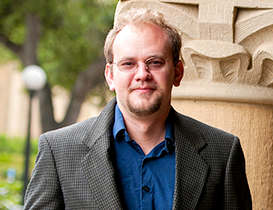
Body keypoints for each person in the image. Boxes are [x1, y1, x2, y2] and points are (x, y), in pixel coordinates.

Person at [23, 8, 252, 210]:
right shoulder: (59, 152)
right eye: (128, 64)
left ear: (178, 72)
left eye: (155, 62)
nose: (142, 74)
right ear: (111, 76)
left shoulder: (222, 152)